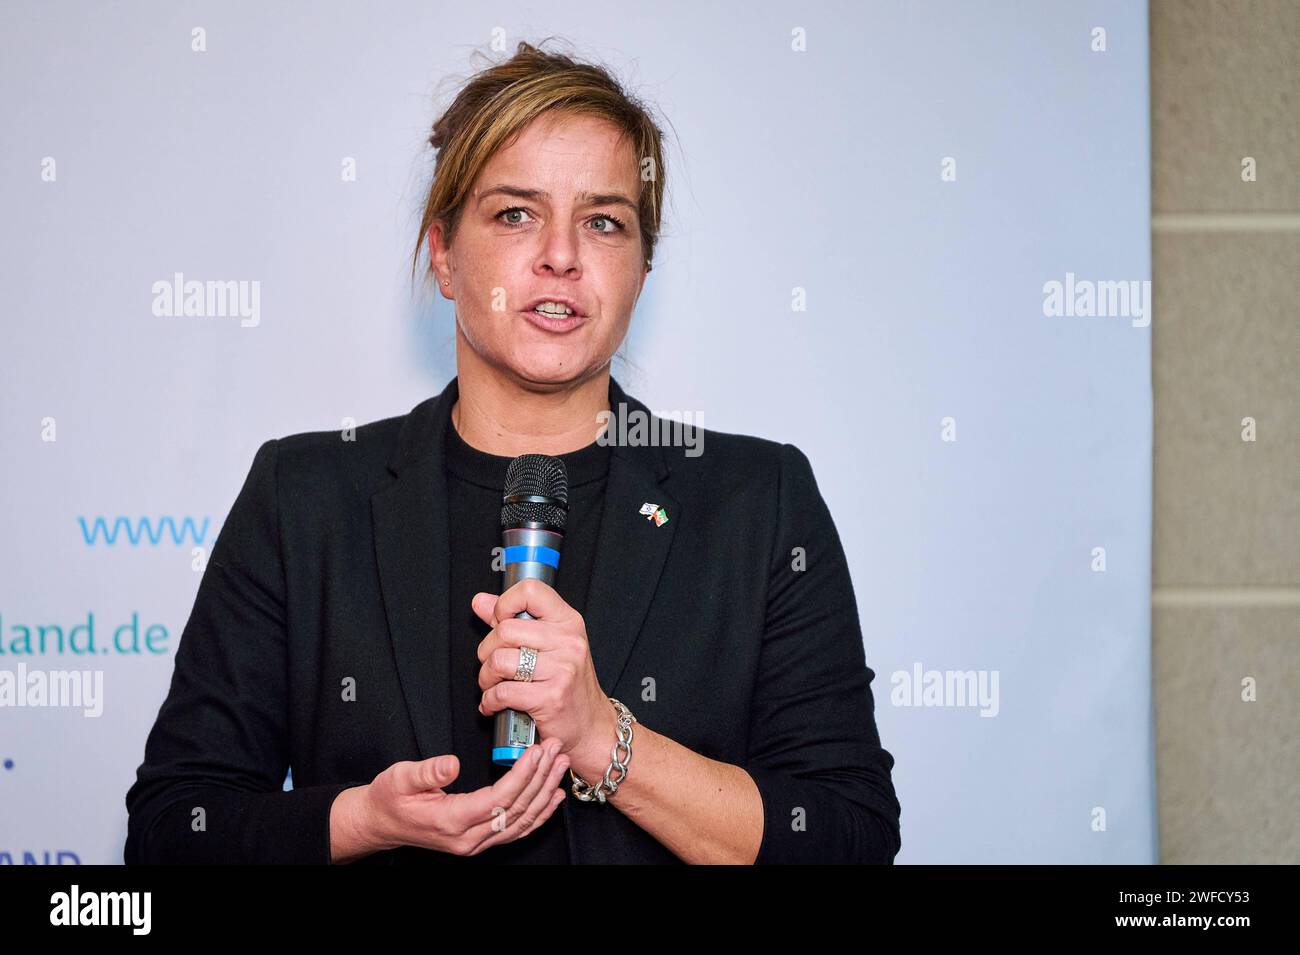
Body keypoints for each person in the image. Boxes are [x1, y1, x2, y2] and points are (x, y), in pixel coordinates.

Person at [124, 39, 901, 865]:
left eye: (604, 221)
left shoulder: (759, 499)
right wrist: (360, 820)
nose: (561, 255)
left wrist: (609, 740)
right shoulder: (305, 496)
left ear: (642, 267)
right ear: (445, 254)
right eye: (516, 213)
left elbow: (848, 835)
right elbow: (174, 829)